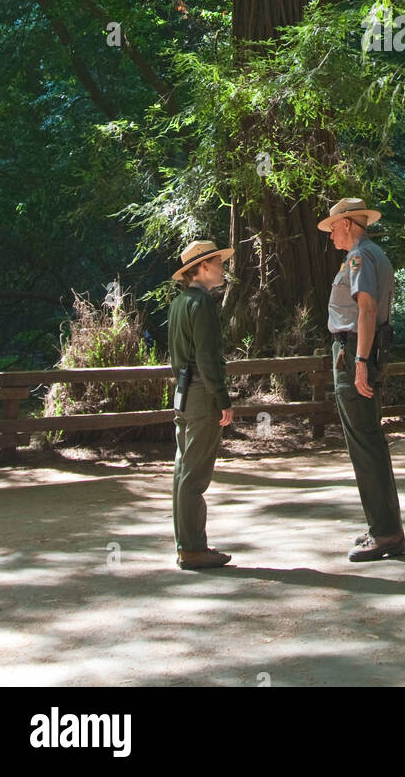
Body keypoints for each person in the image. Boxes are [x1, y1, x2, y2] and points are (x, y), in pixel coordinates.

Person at [318, 197, 405, 561]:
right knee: (368, 441)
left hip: (355, 351)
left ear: (350, 224)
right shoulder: (374, 255)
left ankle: (385, 534)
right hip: (362, 351)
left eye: (334, 227)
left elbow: (367, 309)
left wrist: (358, 362)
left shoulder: (359, 257)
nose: (332, 235)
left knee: (364, 443)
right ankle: (383, 528)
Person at [168, 239, 235, 569]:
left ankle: (186, 545)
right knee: (194, 474)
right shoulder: (203, 303)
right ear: (204, 267)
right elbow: (208, 358)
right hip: (200, 395)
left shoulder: (179, 303)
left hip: (182, 392)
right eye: (219, 263)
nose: (223, 268)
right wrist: (222, 399)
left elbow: (177, 358)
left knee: (183, 469)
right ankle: (193, 549)